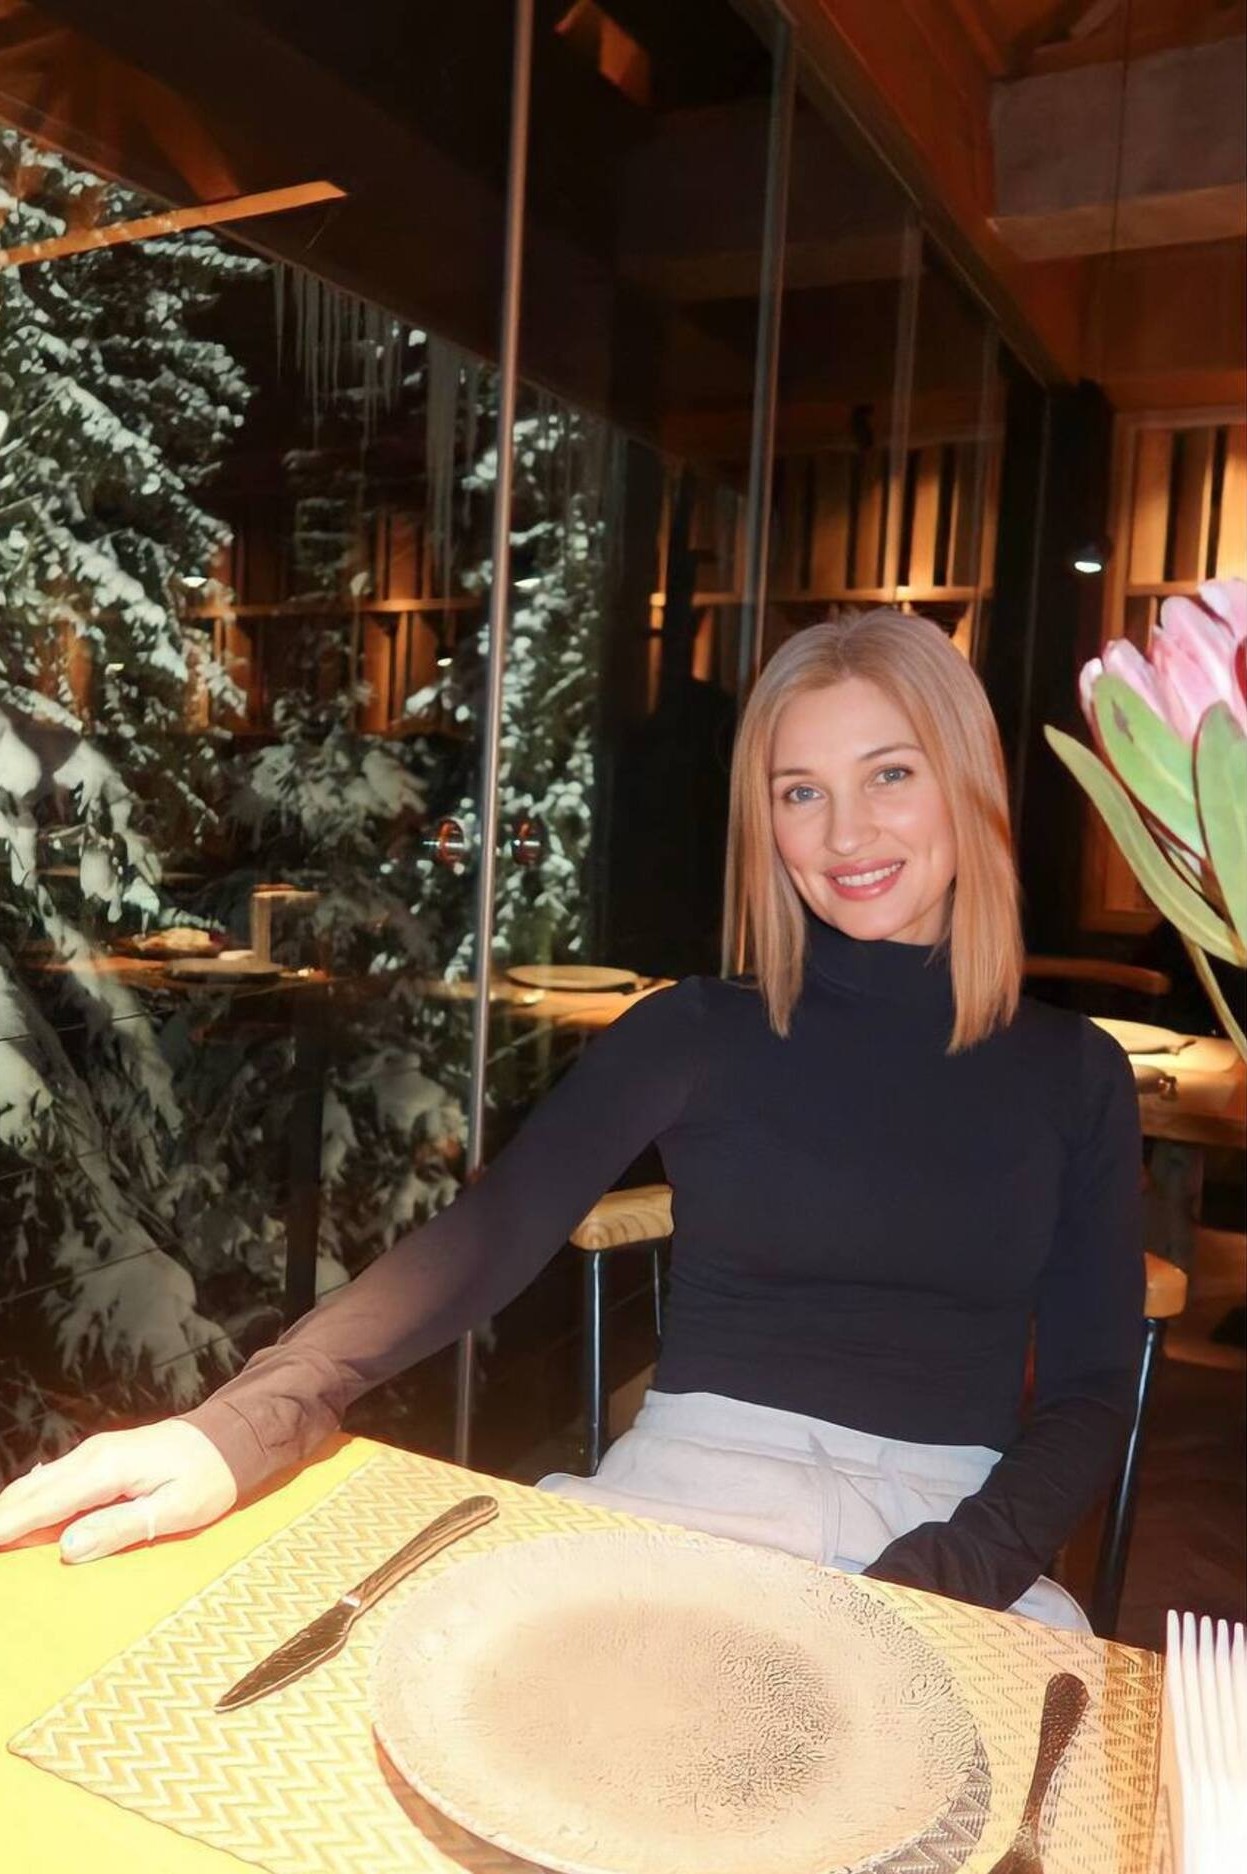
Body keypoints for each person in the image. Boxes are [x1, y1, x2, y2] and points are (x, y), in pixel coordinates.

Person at [0, 611, 1144, 1631]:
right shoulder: (695, 1029)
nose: (843, 833)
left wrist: (954, 1564)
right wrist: (242, 1423)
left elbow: (1091, 1388)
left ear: (966, 782)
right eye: (799, 790)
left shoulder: (1073, 1073)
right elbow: (482, 1239)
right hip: (689, 1500)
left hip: (947, 1527)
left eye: (888, 773)